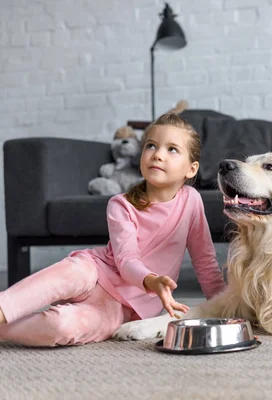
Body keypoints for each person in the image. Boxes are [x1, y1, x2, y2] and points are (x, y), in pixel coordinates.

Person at [0, 113, 226, 347]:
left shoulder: (191, 200)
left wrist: (226, 308)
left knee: (61, 327)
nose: (158, 154)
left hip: (123, 307)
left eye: (172, 149)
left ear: (191, 169)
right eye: (151, 146)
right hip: (96, 271)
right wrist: (151, 280)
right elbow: (127, 260)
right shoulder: (121, 204)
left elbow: (205, 262)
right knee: (68, 274)